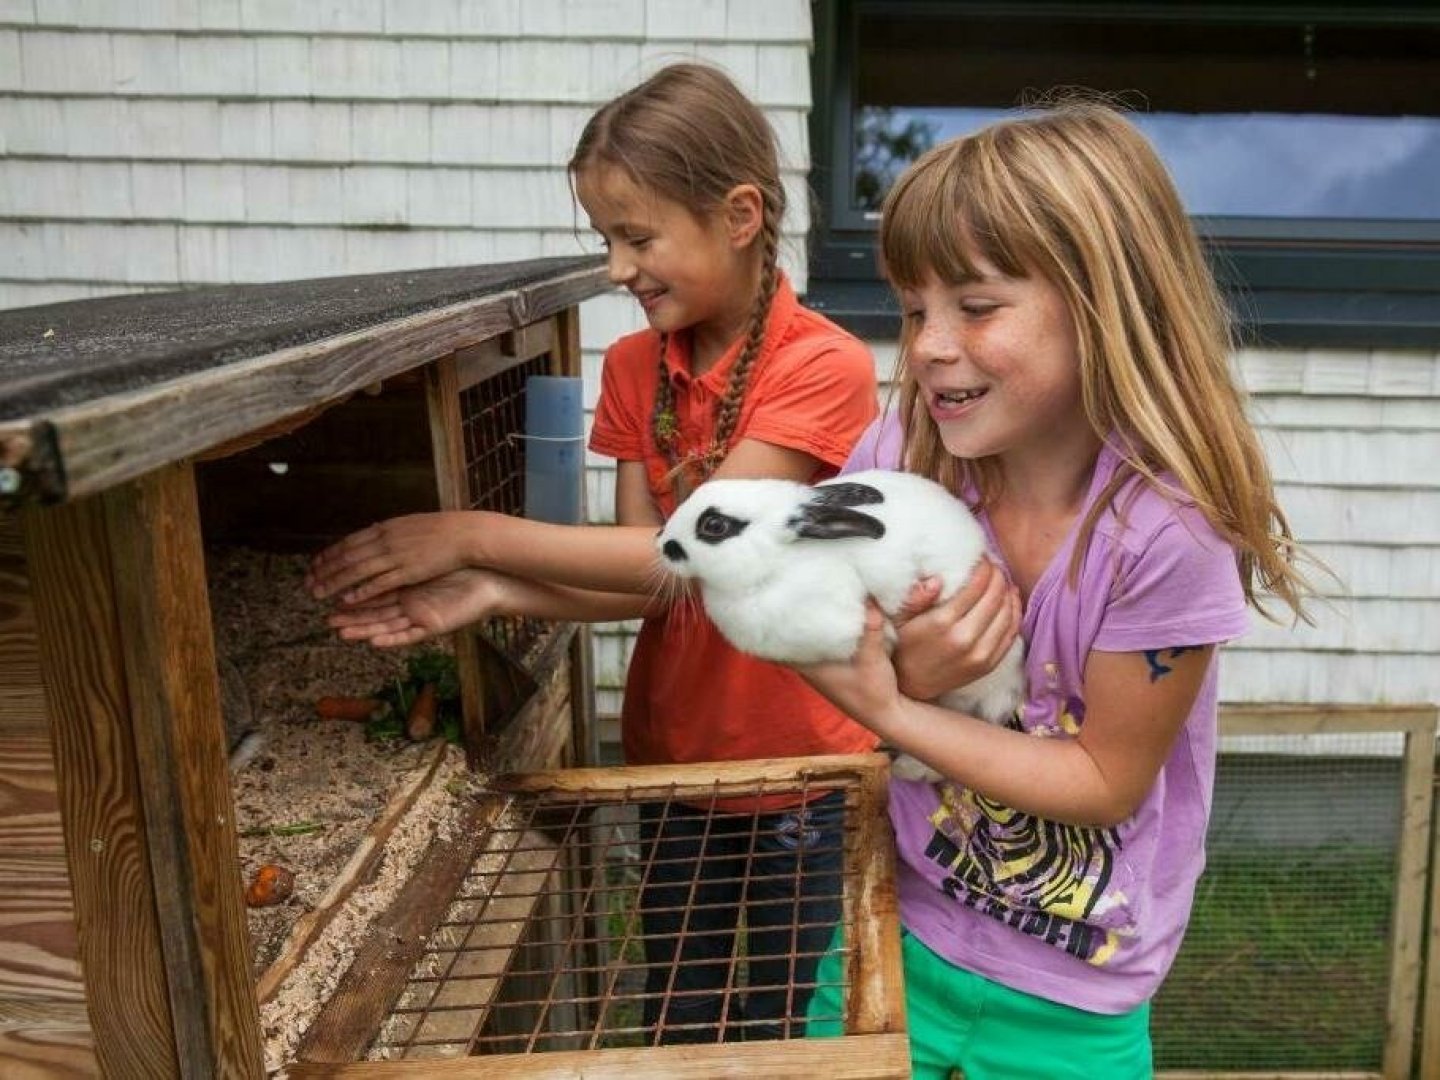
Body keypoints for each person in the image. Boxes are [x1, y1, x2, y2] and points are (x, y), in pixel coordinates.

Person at [305, 62, 880, 1043]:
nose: (617, 268)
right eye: (606, 237)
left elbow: (694, 554)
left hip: (807, 767)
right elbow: (648, 580)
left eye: (638, 235)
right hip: (671, 756)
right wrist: (490, 588)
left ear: (739, 215)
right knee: (680, 1009)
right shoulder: (632, 366)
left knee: (788, 1018)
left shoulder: (821, 364)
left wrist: (474, 533)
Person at [799, 99, 1315, 1078]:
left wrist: (887, 705)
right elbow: (804, 602)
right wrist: (895, 672)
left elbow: (1103, 779)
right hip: (895, 933)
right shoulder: (903, 453)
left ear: (1104, 303)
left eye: (976, 306)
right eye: (913, 310)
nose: (926, 347)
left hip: (1076, 999)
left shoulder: (1169, 532)